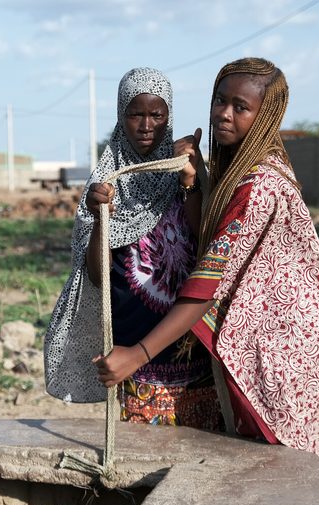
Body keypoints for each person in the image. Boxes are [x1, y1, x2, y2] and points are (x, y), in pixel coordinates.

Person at [94, 58, 319, 459]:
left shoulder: (258, 185)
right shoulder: (237, 171)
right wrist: (192, 183)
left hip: (284, 347)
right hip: (269, 335)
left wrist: (137, 354)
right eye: (219, 101)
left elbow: (207, 282)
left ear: (265, 117)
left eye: (240, 107)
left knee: (275, 466)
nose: (224, 114)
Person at [44, 67, 221, 431]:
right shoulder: (106, 185)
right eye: (135, 114)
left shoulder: (187, 174)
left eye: (156, 114)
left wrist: (190, 183)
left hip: (192, 348)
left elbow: (207, 248)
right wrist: (99, 219)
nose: (145, 125)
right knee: (142, 459)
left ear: (168, 116)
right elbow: (96, 275)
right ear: (120, 116)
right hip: (137, 357)